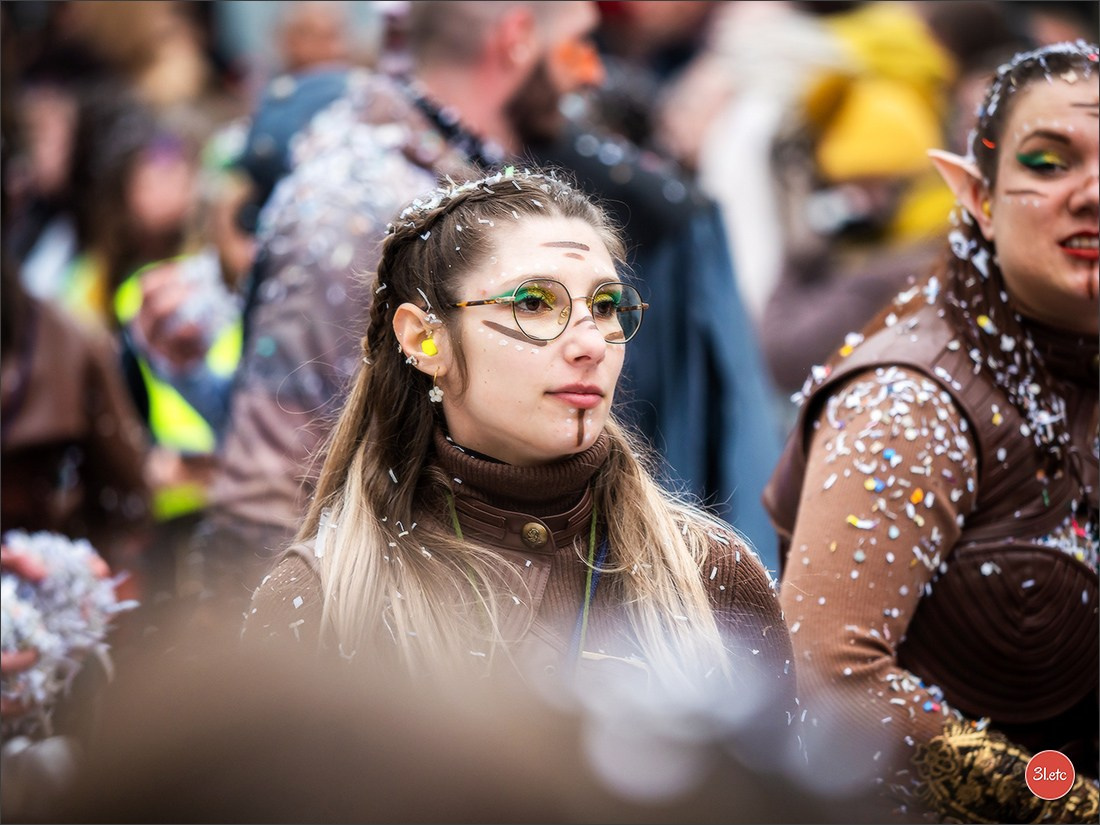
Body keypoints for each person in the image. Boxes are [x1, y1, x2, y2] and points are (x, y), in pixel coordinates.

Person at [244, 169, 798, 753]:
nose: (590, 343)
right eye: (534, 302)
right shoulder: (326, 599)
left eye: (607, 306)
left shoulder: (712, 574)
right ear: (425, 339)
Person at [763, 40, 1098, 822]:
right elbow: (832, 676)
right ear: (978, 195)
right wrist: (1063, 797)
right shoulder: (911, 398)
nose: (1091, 192)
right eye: (1049, 162)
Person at [192, 1, 610, 610]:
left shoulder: (448, 174)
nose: (591, 74)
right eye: (578, 45)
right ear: (517, 38)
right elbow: (269, 481)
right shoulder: (360, 199)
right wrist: (272, 670)